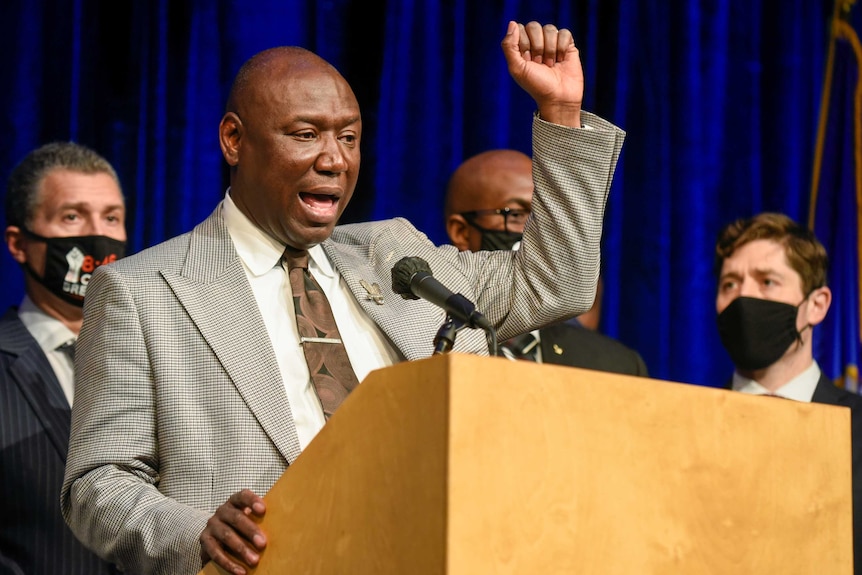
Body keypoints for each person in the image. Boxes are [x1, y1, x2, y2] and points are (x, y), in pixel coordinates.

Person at [61, 20, 625, 575]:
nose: (335, 159)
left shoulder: (396, 255)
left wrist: (560, 114)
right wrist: (197, 530)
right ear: (235, 139)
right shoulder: (143, 292)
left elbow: (558, 281)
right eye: (306, 135)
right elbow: (98, 481)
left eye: (349, 137)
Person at [0, 141, 125, 574]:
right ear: (18, 243)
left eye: (111, 217)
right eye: (72, 216)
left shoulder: (165, 355)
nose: (97, 234)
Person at [714, 211, 862, 573]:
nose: (743, 297)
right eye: (730, 284)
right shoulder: (682, 427)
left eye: (767, 282)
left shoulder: (857, 427)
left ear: (817, 305)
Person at [444, 148, 648, 376]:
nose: (536, 230)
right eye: (516, 214)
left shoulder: (616, 366)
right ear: (461, 232)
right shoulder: (425, 345)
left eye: (543, 216)